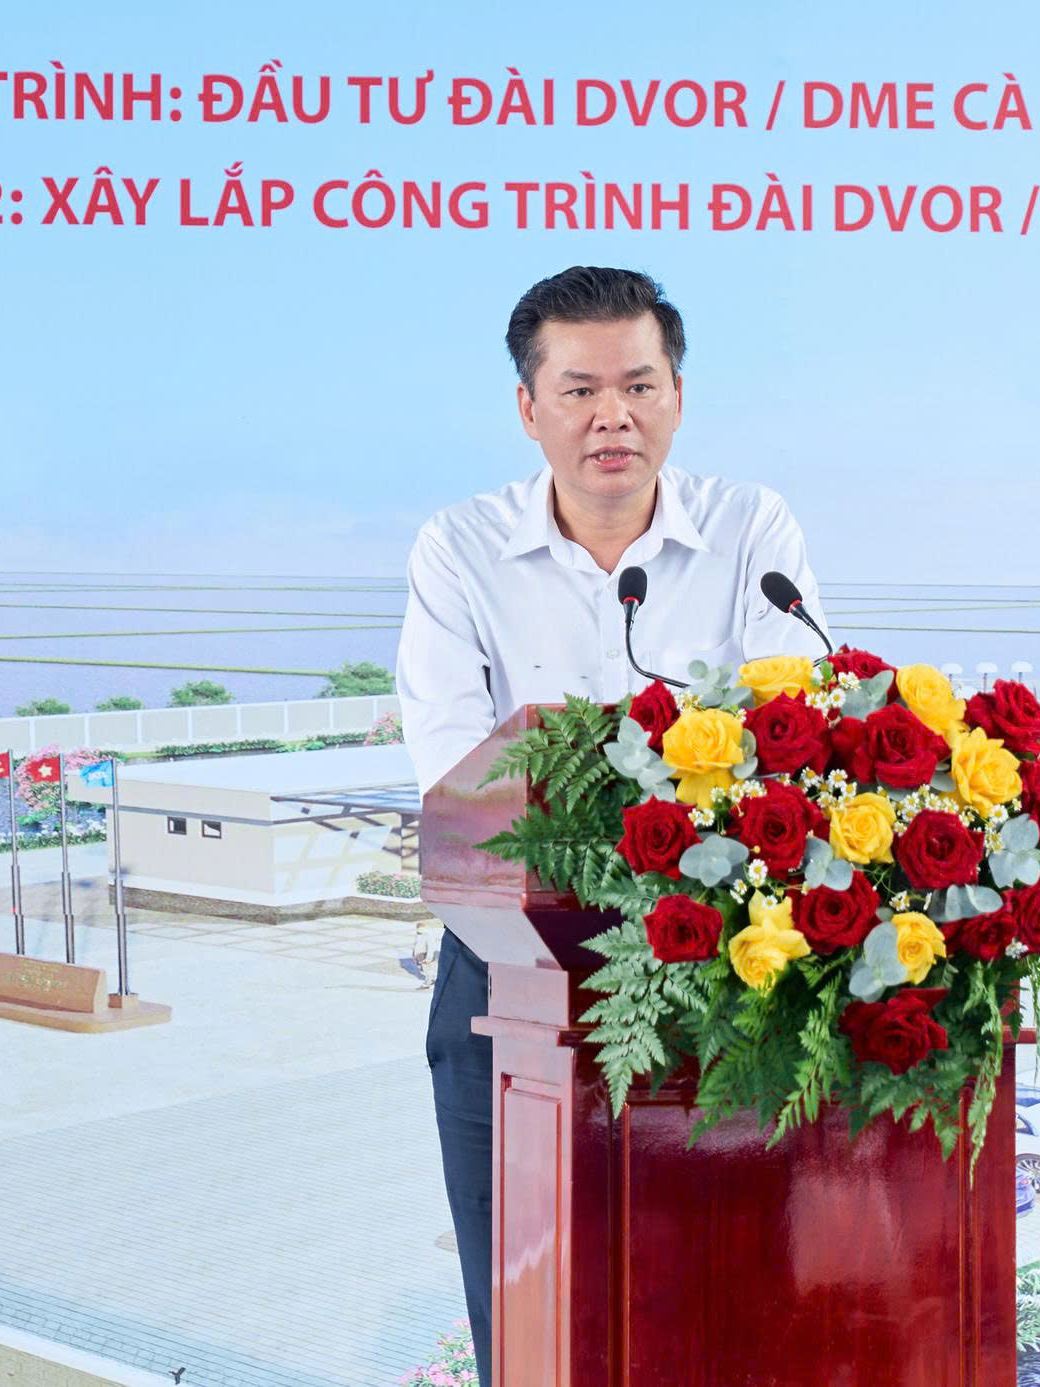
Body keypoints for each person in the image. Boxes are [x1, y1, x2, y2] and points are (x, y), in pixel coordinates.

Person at [397, 266, 827, 1386]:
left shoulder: (751, 528)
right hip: (509, 967)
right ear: (528, 407)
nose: (612, 417)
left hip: (719, 964)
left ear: (677, 396)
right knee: (527, 1309)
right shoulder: (458, 547)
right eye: (580, 390)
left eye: (638, 386)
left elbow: (789, 730)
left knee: (714, 1295)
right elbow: (454, 772)